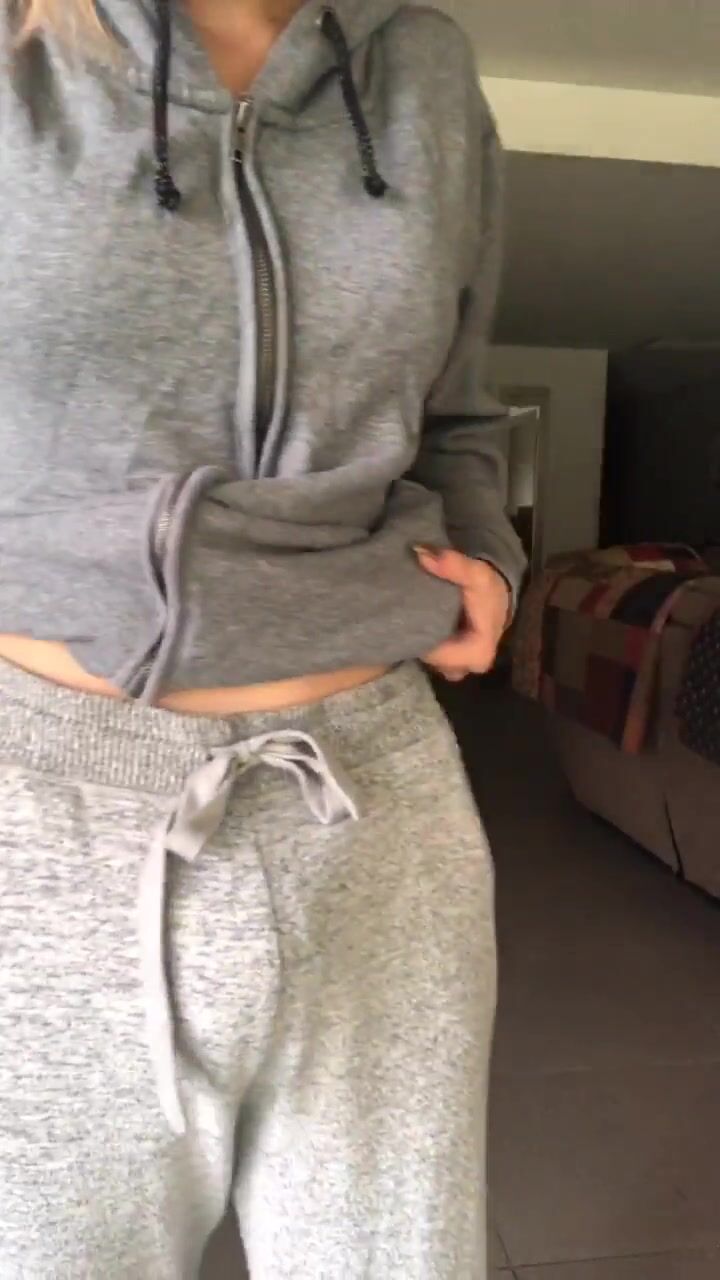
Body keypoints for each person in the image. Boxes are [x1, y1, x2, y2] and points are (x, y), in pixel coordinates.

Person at [0, 0, 526, 1275]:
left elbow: (455, 407)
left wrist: (490, 555)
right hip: (40, 810)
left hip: (377, 792)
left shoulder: (425, 68)